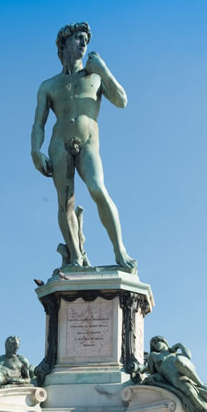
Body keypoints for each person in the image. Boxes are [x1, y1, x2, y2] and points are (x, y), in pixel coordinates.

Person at [31, 22, 136, 269]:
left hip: (88, 142)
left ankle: (120, 251)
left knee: (98, 189)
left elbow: (122, 100)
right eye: (78, 38)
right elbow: (38, 123)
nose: (84, 43)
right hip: (59, 143)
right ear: (64, 42)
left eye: (86, 40)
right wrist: (35, 150)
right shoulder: (49, 85)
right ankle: (76, 257)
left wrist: (104, 69)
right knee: (65, 202)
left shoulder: (95, 76)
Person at [146, 336, 207, 412]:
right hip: (174, 378)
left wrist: (180, 345)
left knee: (179, 361)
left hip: (185, 375)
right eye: (153, 343)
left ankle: (201, 385)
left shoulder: (175, 354)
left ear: (164, 342)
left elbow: (188, 357)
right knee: (190, 391)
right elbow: (152, 371)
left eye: (156, 341)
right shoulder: (153, 355)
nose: (154, 344)